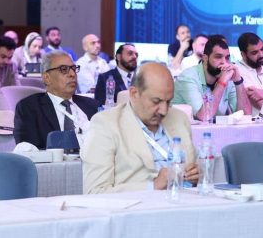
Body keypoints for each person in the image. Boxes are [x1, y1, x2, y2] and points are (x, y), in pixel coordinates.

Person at [81, 63, 199, 193]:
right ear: (134, 93)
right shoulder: (106, 124)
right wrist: (153, 187)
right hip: (138, 204)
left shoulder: (179, 118)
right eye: (156, 101)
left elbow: (197, 170)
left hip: (186, 200)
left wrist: (196, 176)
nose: (164, 110)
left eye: (168, 102)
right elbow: (95, 191)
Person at [13, 51, 99, 149]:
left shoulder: (91, 105)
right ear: (47, 78)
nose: (72, 74)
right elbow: (28, 151)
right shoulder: (29, 108)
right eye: (64, 69)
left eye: (74, 68)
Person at [172, 36, 251, 120]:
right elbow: (204, 116)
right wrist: (222, 81)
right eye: (218, 57)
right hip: (180, 127)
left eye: (227, 58)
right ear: (205, 59)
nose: (224, 62)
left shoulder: (227, 77)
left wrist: (238, 81)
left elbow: (246, 115)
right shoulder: (188, 77)